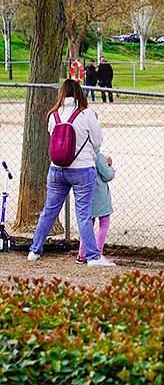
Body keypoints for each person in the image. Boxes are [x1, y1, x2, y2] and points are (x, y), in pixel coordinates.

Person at [27, 79, 116, 267]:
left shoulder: (54, 115)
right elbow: (98, 140)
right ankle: (92, 256)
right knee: (83, 214)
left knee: (49, 211)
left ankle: (35, 250)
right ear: (79, 93)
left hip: (57, 168)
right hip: (82, 169)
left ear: (61, 94)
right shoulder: (86, 114)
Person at [76, 149, 116, 263]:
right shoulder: (98, 156)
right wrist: (109, 166)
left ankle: (82, 254)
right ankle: (97, 253)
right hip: (100, 196)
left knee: (87, 224)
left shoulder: (82, 155)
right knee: (104, 223)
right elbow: (107, 175)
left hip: (85, 194)